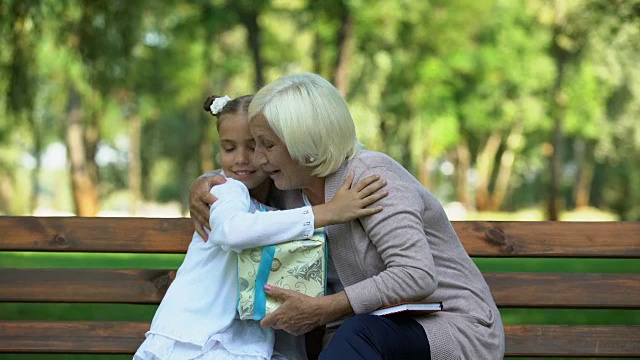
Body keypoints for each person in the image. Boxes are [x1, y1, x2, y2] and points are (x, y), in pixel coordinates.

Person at [190, 73, 505, 359]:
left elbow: (416, 275)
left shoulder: (371, 179)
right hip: (364, 340)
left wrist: (325, 309)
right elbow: (236, 183)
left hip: (449, 327)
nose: (258, 158)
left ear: (306, 144)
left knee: (358, 332)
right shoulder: (287, 184)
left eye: (267, 145)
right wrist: (202, 186)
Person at [134, 94, 388, 360]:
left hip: (235, 341)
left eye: (255, 146)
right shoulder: (227, 191)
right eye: (229, 148)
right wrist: (327, 213)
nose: (242, 159)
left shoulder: (279, 202)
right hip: (196, 339)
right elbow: (233, 231)